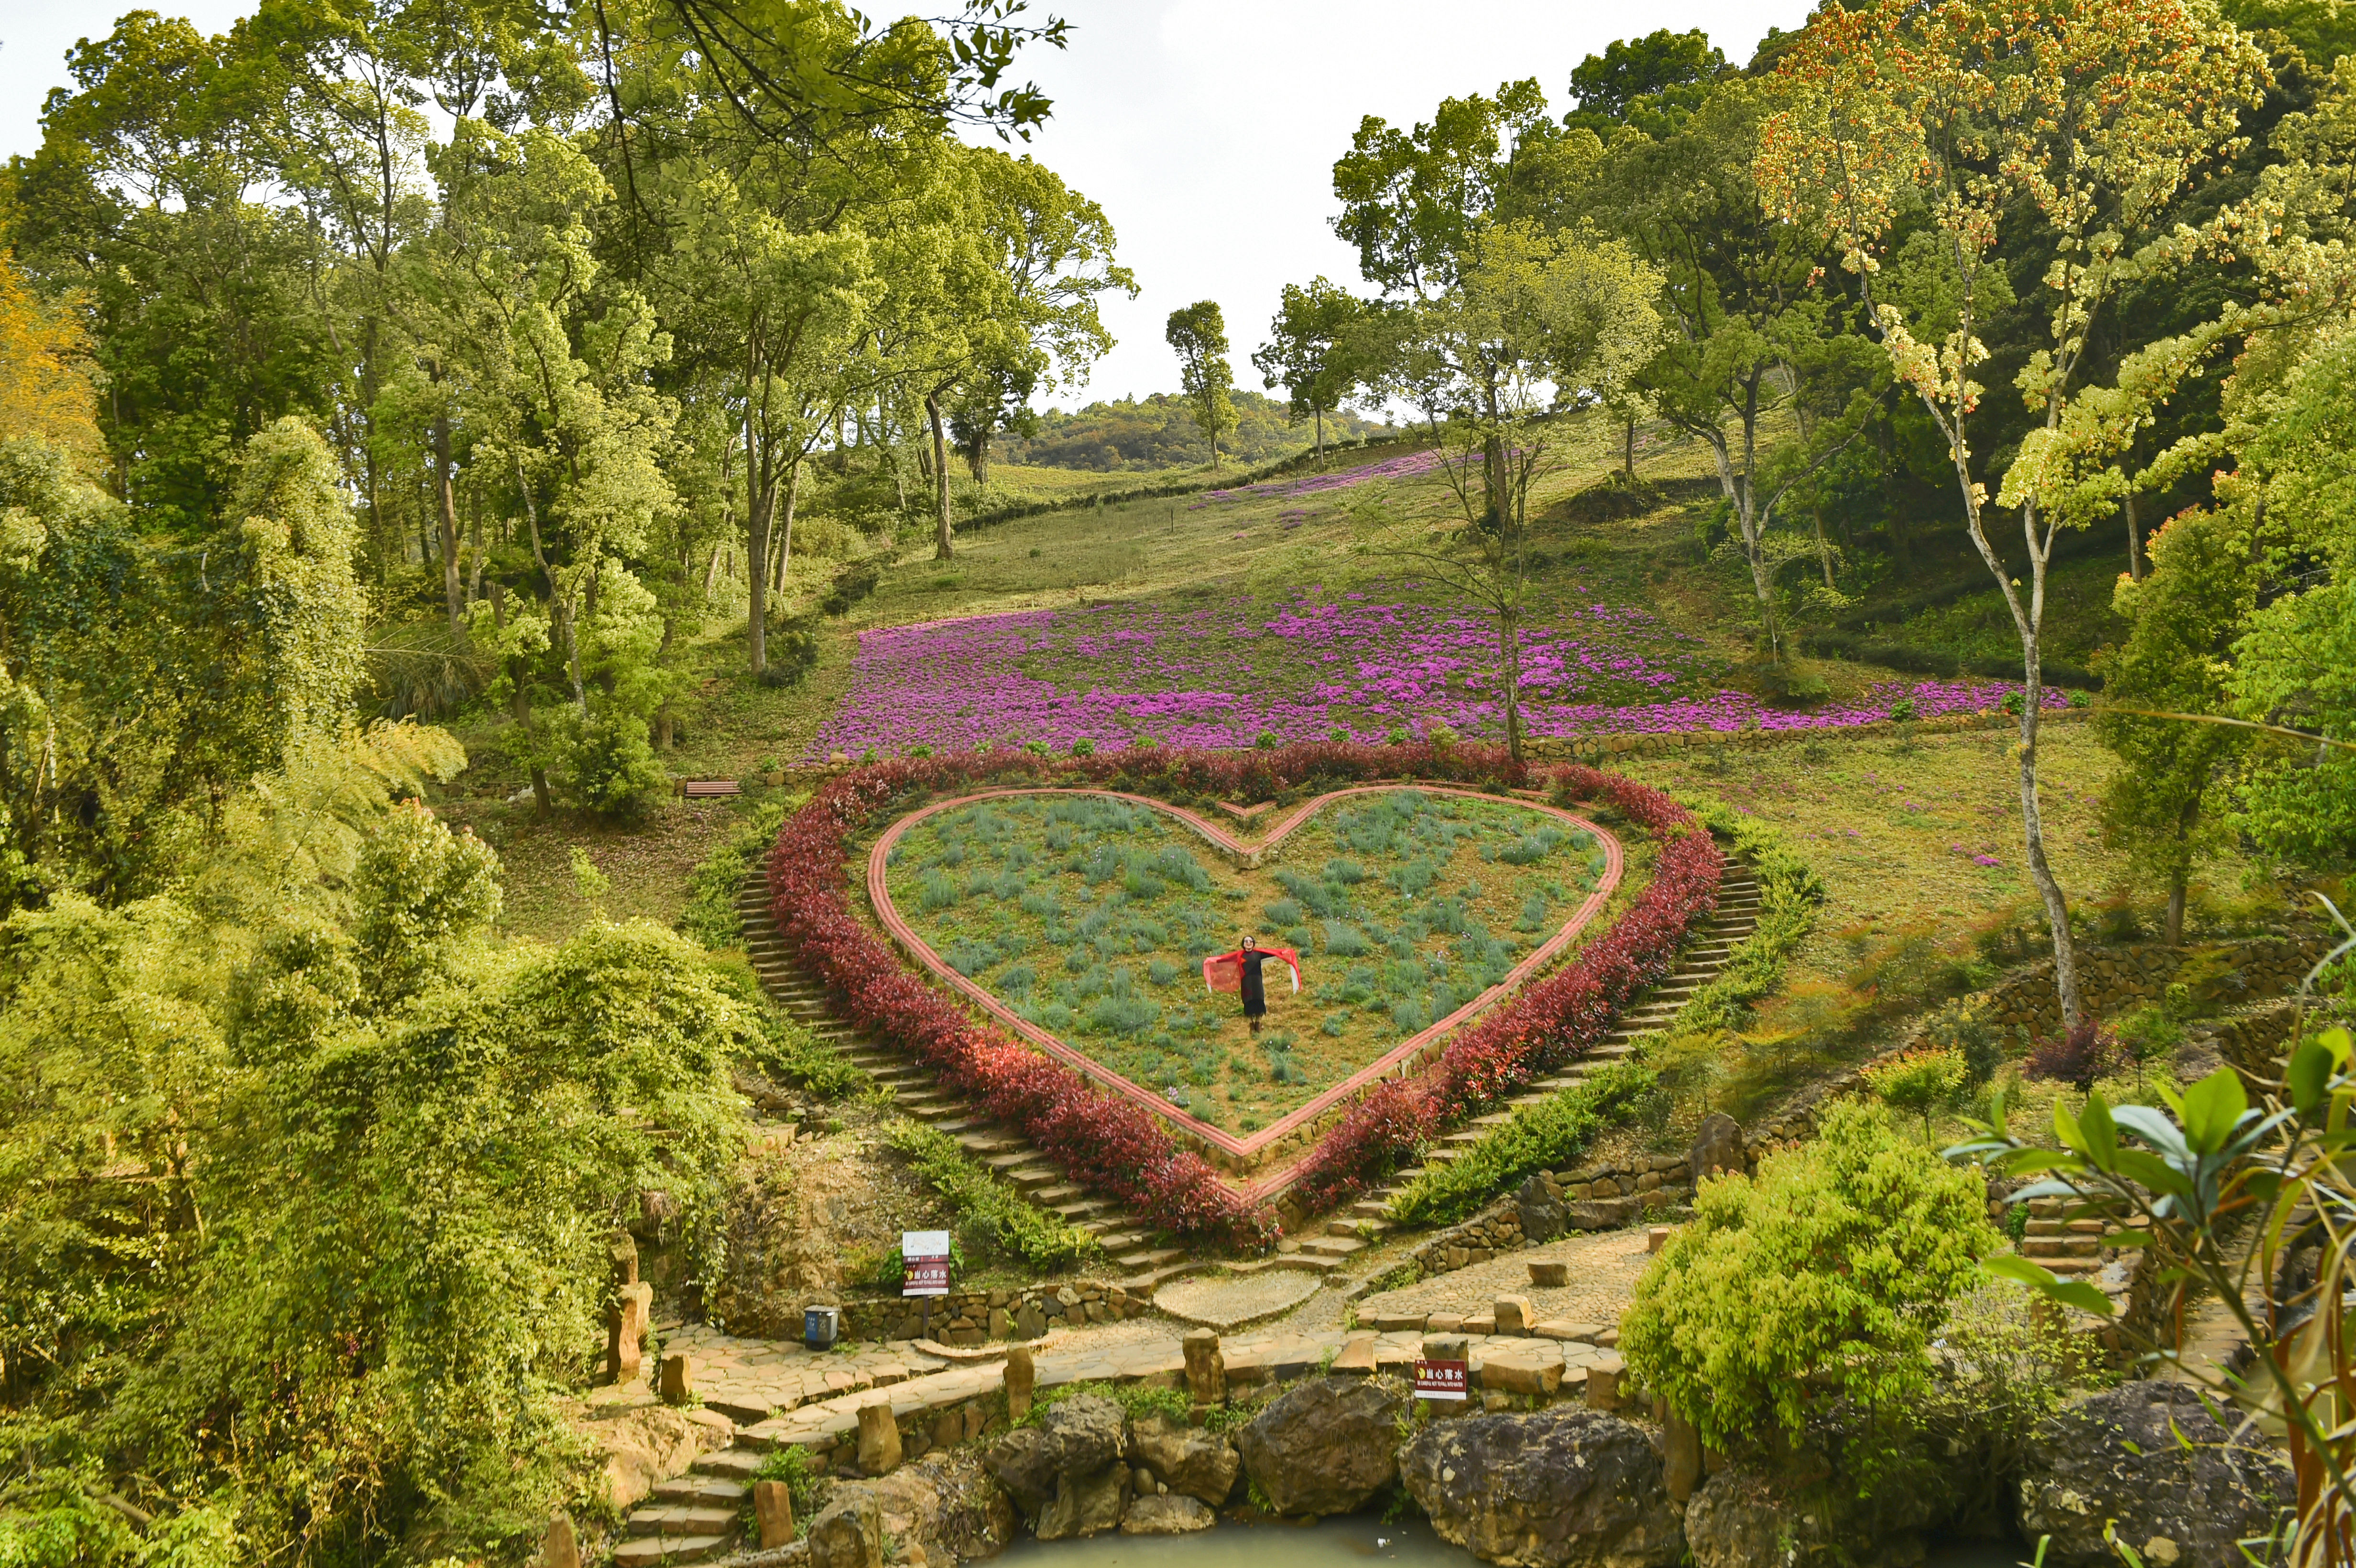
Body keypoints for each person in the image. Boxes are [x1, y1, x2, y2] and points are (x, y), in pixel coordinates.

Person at [1238, 934, 1268, 1034]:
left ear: (1253, 943)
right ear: (1243, 944)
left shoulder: (1258, 954)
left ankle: (1258, 1023)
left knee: (1259, 999)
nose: (1249, 943)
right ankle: (1251, 1024)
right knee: (1248, 1001)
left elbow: (1272, 953)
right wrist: (1214, 961)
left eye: (1250, 941)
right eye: (1246, 941)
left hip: (1257, 981)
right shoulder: (1240, 956)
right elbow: (1227, 959)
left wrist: (1284, 953)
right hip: (1246, 982)